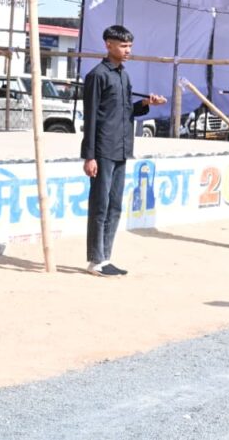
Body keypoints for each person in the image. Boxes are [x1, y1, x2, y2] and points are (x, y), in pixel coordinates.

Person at [81, 25, 167, 276]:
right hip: (102, 150)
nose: (128, 50)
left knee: (115, 205)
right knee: (100, 204)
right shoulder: (97, 75)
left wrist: (146, 103)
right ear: (109, 45)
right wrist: (89, 156)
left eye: (130, 46)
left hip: (121, 148)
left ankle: (106, 257)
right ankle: (95, 259)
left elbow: (126, 110)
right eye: (123, 46)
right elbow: (91, 118)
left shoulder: (124, 76)